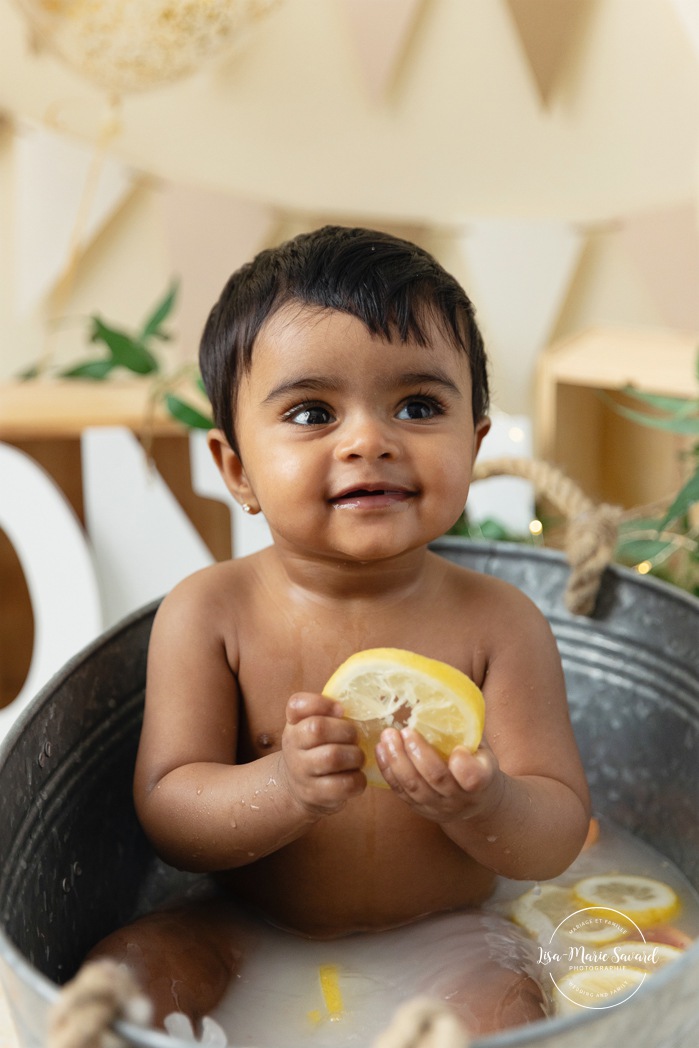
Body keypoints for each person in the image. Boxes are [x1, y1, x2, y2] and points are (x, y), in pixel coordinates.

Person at [89, 226, 590, 1039]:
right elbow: (170, 818)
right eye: (312, 412)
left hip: (451, 938)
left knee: (503, 1019)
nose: (368, 441)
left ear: (473, 445)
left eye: (417, 406)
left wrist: (484, 801)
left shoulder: (500, 623)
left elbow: (555, 837)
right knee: (121, 982)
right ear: (238, 469)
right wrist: (283, 787)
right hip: (242, 924)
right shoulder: (210, 613)